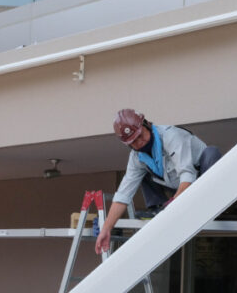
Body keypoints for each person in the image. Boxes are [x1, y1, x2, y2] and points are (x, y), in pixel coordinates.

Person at [94, 108, 221, 254]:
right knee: (141, 171)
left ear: (146, 124)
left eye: (140, 135)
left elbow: (187, 175)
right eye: (133, 142)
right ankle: (156, 208)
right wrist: (106, 229)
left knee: (212, 152)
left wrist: (171, 210)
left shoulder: (171, 136)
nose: (140, 143)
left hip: (200, 179)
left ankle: (211, 205)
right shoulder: (136, 158)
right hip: (177, 189)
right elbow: (123, 195)